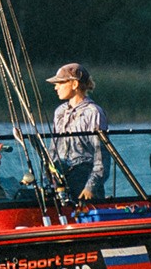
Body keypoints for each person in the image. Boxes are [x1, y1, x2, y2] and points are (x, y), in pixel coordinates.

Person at [46, 62, 107, 201]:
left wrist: (90, 187)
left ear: (74, 84)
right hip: (62, 180)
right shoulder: (59, 112)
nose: (56, 87)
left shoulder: (94, 112)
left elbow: (101, 155)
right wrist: (49, 178)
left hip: (84, 179)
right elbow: (53, 149)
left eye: (60, 83)